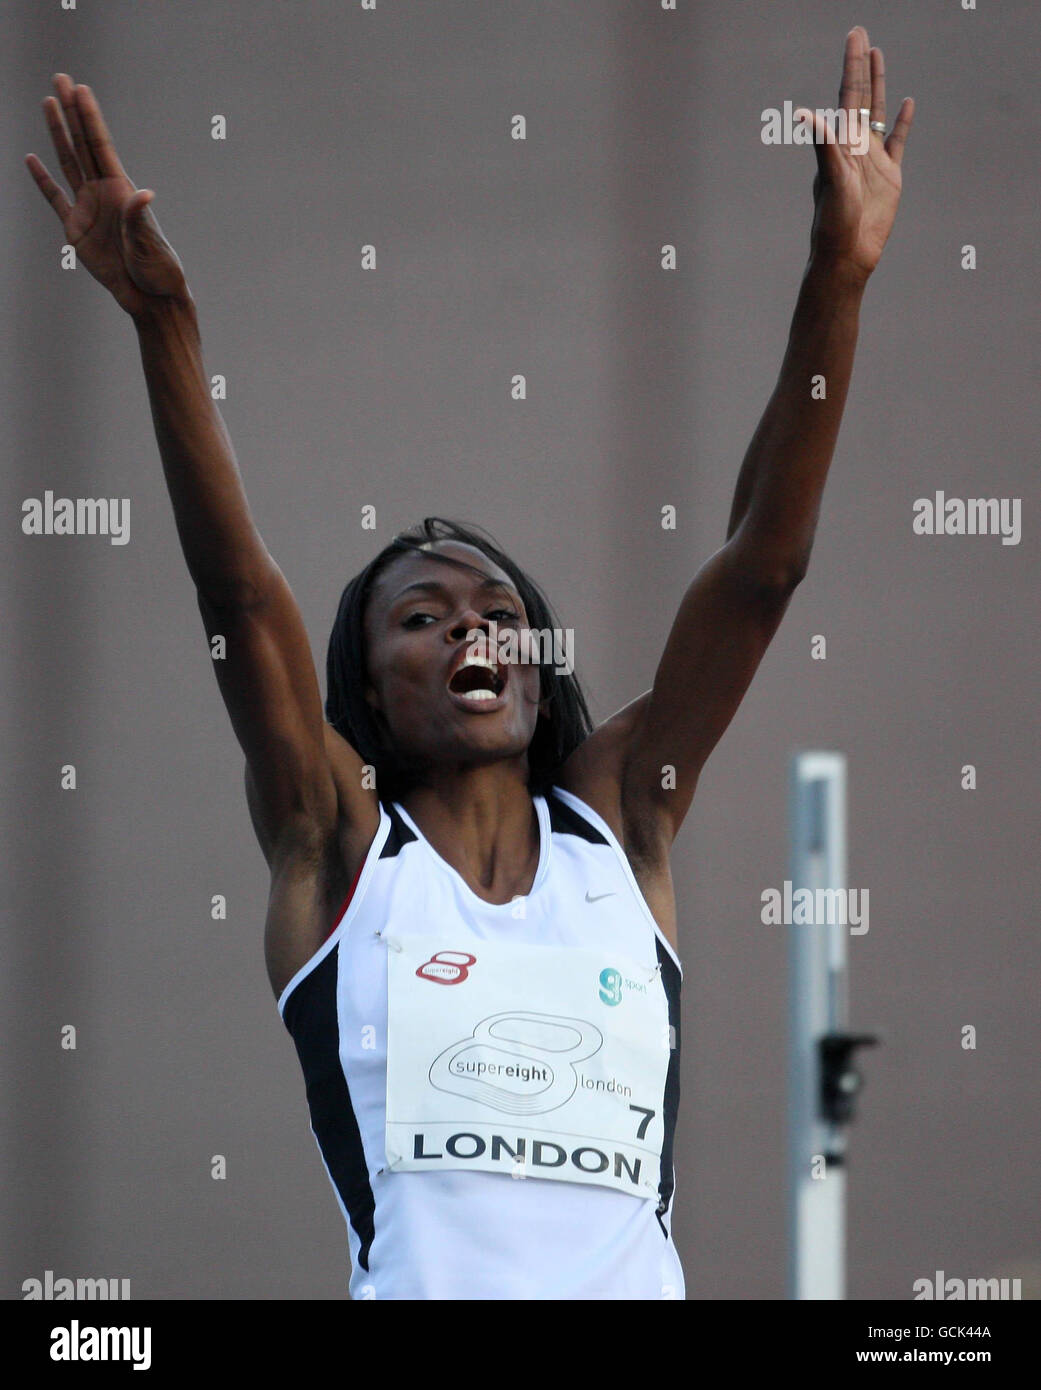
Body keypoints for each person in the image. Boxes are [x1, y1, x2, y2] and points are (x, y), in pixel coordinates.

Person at [25, 28, 913, 1299]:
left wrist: (840, 273)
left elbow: (762, 569)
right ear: (368, 691)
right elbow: (239, 594)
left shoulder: (620, 828)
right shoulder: (336, 846)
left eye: (497, 610)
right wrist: (165, 321)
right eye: (423, 618)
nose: (471, 629)